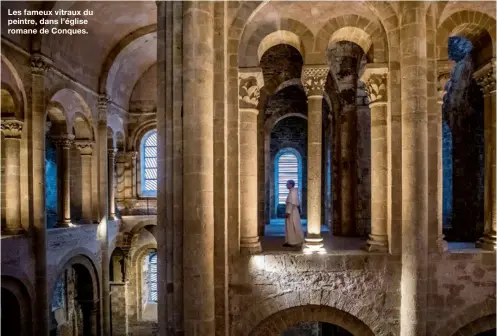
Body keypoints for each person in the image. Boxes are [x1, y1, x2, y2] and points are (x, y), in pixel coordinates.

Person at [283, 180, 305, 247]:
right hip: (293, 212)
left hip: (292, 213)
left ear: (291, 184)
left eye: (287, 184)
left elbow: (291, 203)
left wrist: (288, 212)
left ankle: (293, 242)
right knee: (291, 227)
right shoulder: (292, 191)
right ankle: (289, 241)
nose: (286, 185)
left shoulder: (293, 192)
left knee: (292, 227)